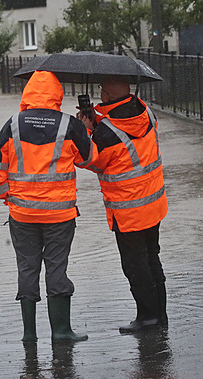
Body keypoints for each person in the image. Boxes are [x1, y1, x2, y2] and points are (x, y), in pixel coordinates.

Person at [0, 71, 97, 343]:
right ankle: (61, 332)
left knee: (27, 268)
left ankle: (29, 334)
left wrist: (9, 199)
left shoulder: (13, 124)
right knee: (56, 268)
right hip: (59, 214)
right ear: (57, 94)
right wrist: (87, 129)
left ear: (28, 94)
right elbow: (88, 159)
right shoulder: (69, 125)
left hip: (22, 214)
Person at [78, 75, 168, 334]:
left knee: (134, 265)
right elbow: (128, 137)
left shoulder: (107, 133)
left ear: (105, 96)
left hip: (128, 211)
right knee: (152, 258)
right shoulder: (146, 112)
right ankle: (160, 315)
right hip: (154, 204)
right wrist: (98, 123)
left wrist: (86, 130)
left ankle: (147, 317)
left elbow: (90, 159)